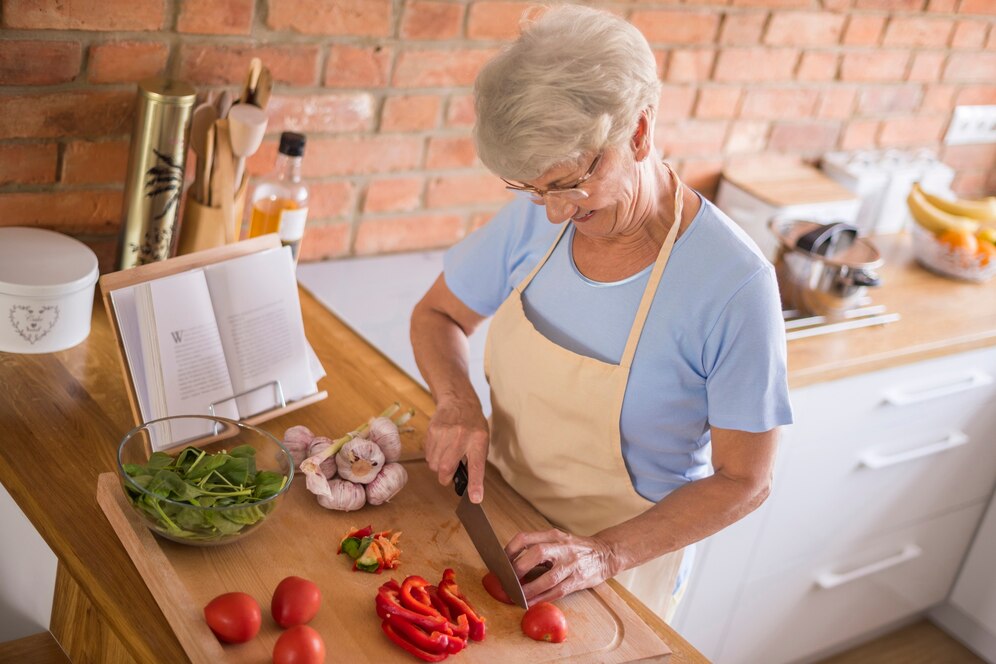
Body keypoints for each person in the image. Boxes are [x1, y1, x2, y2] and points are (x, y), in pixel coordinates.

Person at [409, 4, 792, 622]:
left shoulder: (734, 286)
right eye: (533, 190)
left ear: (638, 132)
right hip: (498, 519)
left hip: (621, 572)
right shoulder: (538, 212)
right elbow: (437, 316)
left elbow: (744, 480)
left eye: (568, 185)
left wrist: (604, 555)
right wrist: (457, 402)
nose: (553, 213)